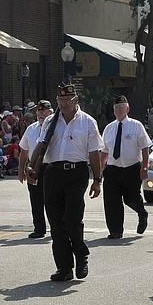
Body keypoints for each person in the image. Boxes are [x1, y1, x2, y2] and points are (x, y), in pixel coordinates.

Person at [40, 83, 104, 281]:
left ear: (76, 100)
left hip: (76, 173)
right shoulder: (50, 121)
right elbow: (41, 146)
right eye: (60, 100)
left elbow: (94, 152)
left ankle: (81, 255)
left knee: (72, 219)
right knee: (56, 222)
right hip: (53, 173)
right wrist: (32, 167)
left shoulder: (87, 122)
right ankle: (64, 267)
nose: (64, 104)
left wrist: (97, 179)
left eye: (68, 100)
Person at [100, 95, 152, 239]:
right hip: (112, 169)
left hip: (131, 168)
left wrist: (145, 167)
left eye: (121, 108)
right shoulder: (109, 128)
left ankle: (142, 213)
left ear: (127, 109)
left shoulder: (136, 125)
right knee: (112, 201)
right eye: (116, 108)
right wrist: (99, 170)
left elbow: (145, 147)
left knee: (131, 198)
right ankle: (115, 230)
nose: (118, 111)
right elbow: (104, 151)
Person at [18, 100, 53, 238]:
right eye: (39, 112)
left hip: (51, 166)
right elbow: (24, 151)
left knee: (52, 199)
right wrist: (21, 170)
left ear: (51, 113)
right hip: (34, 168)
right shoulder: (31, 129)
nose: (41, 115)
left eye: (44, 112)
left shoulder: (56, 127)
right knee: (35, 199)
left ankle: (56, 227)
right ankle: (39, 228)